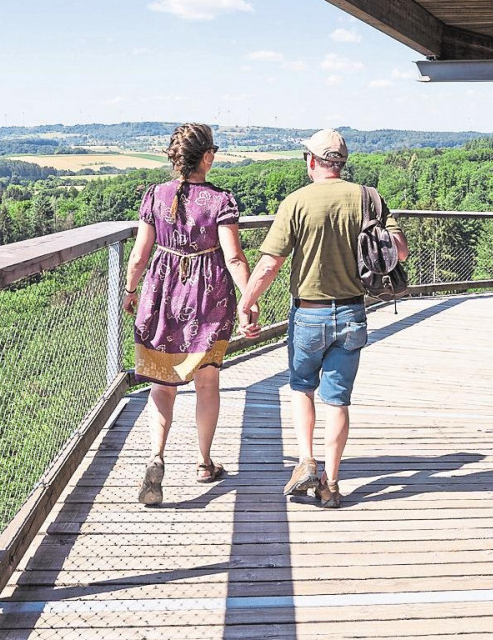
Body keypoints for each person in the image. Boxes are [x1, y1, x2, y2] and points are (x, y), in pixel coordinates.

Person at [236, 129, 408, 508]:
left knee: (302, 388)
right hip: (352, 311)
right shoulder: (369, 198)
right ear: (341, 163)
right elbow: (401, 250)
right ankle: (330, 483)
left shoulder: (296, 202)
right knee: (338, 400)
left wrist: (246, 303)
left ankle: (305, 460)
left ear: (311, 161)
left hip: (309, 314)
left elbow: (270, 264)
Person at [123, 122, 255, 506]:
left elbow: (138, 256)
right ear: (208, 157)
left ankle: (156, 456)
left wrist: (130, 291)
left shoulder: (154, 195)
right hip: (207, 298)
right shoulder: (221, 201)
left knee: (161, 385)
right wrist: (249, 300)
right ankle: (203, 462)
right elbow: (233, 257)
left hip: (161, 295)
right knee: (207, 382)